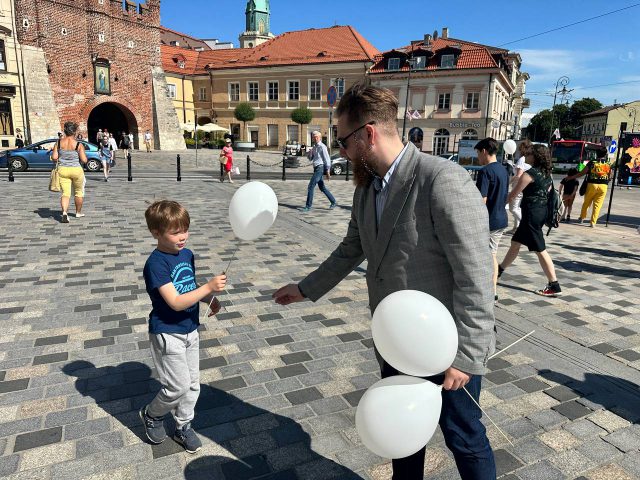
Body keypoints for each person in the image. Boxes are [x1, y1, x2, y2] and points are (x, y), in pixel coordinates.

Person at [273, 84, 496, 480]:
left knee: (464, 436)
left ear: (368, 134)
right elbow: (350, 249)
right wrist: (305, 288)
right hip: (395, 340)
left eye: (343, 140)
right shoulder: (366, 188)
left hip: (445, 345)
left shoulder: (441, 179)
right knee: (401, 434)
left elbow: (475, 274)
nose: (342, 151)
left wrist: (468, 354)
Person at [141, 200, 227, 454]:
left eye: (185, 230)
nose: (183, 237)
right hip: (168, 332)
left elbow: (187, 286)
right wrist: (209, 287)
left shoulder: (187, 254)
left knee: (192, 385)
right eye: (175, 232)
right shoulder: (156, 264)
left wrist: (208, 297)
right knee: (175, 387)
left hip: (191, 328)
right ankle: (152, 414)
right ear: (156, 233)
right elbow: (176, 302)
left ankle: (183, 426)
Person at [498, 144, 562, 297]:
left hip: (532, 215)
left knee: (540, 249)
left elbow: (513, 195)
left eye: (530, 153)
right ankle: (499, 271)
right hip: (539, 213)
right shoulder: (546, 173)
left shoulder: (530, 174)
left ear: (536, 156)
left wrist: (498, 207)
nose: (526, 155)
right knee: (515, 244)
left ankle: (554, 285)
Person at [475, 137, 509, 302]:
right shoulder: (503, 170)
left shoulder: (485, 172)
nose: (477, 158)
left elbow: (482, 200)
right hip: (501, 218)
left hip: (488, 221)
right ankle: (493, 290)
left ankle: (489, 290)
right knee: (492, 254)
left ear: (484, 151)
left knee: (487, 256)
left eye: (477, 153)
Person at [51, 121, 88, 223]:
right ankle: (78, 212)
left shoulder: (58, 143)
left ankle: (64, 213)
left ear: (65, 131)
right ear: (75, 132)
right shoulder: (79, 144)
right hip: (76, 170)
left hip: (62, 170)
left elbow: (54, 157)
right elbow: (84, 160)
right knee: (78, 192)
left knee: (65, 193)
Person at [568, 153, 612, 227]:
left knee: (587, 202)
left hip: (592, 185)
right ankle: (593, 222)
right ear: (605, 155)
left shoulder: (592, 162)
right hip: (603, 186)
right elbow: (610, 175)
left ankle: (582, 217)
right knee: (597, 205)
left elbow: (582, 173)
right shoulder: (608, 163)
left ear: (596, 153)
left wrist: (571, 177)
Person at [302, 130, 336, 212]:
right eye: (314, 137)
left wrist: (327, 171)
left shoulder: (322, 147)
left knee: (311, 186)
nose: (315, 138)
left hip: (320, 168)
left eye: (317, 137)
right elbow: (310, 158)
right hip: (316, 168)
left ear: (320, 138)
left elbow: (327, 159)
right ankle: (333, 201)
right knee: (322, 187)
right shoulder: (314, 147)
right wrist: (309, 153)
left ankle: (308, 206)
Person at [508, 140, 532, 233]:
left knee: (513, 208)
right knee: (517, 208)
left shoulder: (522, 159)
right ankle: (516, 228)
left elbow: (518, 175)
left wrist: (509, 182)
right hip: (525, 187)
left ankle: (525, 225)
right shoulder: (530, 159)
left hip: (518, 186)